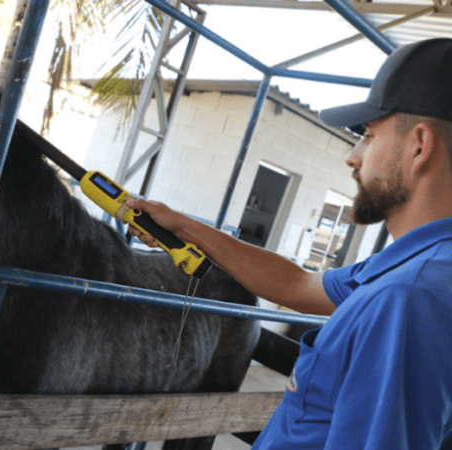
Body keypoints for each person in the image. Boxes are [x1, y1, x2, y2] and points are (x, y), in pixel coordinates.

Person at [126, 38, 452, 449]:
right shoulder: (424, 267)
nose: (354, 156)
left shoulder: (406, 299)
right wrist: (185, 227)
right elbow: (297, 286)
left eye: (368, 135)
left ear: (419, 145)